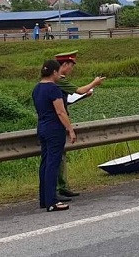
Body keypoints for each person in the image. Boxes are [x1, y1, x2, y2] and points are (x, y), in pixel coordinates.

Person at [54, 51, 106, 200]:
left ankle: (63, 187)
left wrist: (83, 96)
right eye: (71, 66)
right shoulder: (59, 80)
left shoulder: (59, 81)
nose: (72, 69)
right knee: (57, 158)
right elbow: (79, 90)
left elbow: (67, 101)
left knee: (61, 157)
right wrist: (94, 83)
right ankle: (58, 189)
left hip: (60, 122)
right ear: (64, 65)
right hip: (57, 123)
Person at [32, 59, 76, 211]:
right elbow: (60, 111)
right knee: (53, 164)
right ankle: (52, 201)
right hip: (54, 129)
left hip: (42, 127)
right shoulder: (53, 89)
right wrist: (70, 129)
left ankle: (44, 198)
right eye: (58, 71)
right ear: (54, 72)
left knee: (45, 163)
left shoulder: (37, 88)